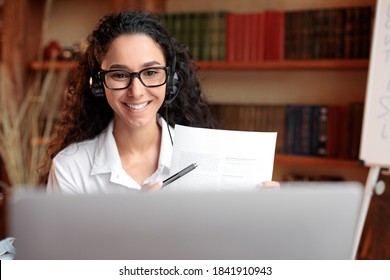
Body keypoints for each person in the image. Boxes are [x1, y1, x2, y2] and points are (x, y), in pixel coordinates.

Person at [39, 10, 278, 194]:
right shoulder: (71, 168)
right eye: (120, 75)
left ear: (171, 79)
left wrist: (262, 219)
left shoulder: (207, 160)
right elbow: (64, 258)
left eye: (151, 73)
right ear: (98, 84)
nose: (137, 91)